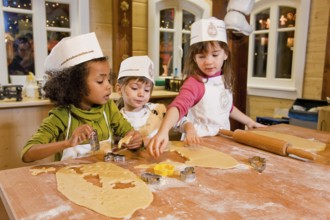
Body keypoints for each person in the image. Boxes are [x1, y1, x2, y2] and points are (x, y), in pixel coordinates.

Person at [148, 17, 266, 157]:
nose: (209, 62)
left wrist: (249, 122)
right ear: (194, 58)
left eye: (215, 54)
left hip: (222, 142)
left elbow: (227, 107)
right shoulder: (195, 83)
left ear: (225, 54)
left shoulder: (223, 78)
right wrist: (163, 131)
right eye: (202, 57)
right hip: (198, 145)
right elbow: (178, 107)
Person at [22, 32, 142, 162]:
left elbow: (130, 133)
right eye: (100, 81)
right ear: (76, 85)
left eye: (108, 79)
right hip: (68, 178)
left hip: (104, 176)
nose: (108, 86)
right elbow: (28, 154)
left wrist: (135, 139)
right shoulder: (61, 116)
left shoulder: (108, 108)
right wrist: (67, 143)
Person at [116, 56, 166, 146]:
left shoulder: (157, 111)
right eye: (135, 88)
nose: (141, 94)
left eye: (147, 90)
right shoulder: (116, 118)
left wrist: (189, 129)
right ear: (119, 89)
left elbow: (180, 121)